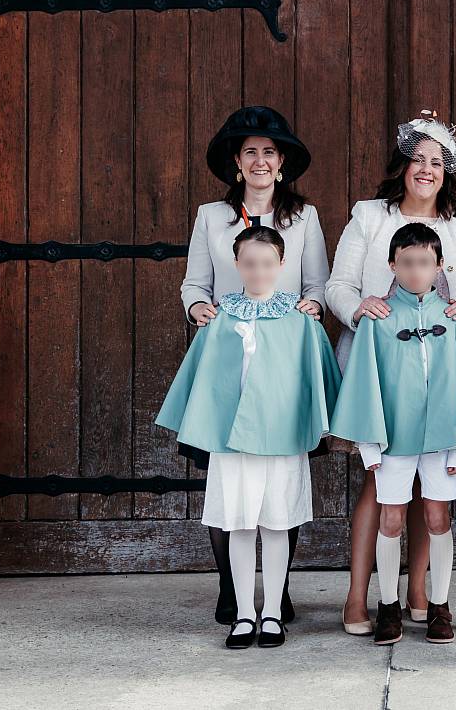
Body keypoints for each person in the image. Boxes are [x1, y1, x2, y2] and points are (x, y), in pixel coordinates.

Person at [325, 112, 456, 634]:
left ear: (448, 173)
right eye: (418, 159)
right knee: (381, 488)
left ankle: (420, 591)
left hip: (441, 371)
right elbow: (338, 285)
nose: (426, 169)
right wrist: (362, 308)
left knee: (431, 494)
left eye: (436, 162)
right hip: (382, 366)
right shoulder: (370, 216)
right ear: (403, 166)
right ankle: (359, 596)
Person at [156, 225, 341, 650]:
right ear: (237, 264)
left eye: (267, 263)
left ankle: (273, 612)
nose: (258, 270)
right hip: (231, 440)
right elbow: (200, 381)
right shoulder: (219, 321)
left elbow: (319, 378)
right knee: (239, 525)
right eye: (249, 263)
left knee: (277, 525)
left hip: (282, 437)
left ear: (282, 265)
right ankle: (243, 614)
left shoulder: (301, 321)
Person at [180, 106, 330, 625]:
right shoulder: (210, 217)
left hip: (282, 364)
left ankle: (278, 592)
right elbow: (195, 285)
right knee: (229, 484)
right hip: (229, 360)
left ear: (281, 161)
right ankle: (233, 589)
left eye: (269, 152)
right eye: (250, 152)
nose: (260, 160)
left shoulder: (304, 217)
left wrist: (313, 305)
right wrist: (200, 308)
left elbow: (317, 285)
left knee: (279, 484)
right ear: (236, 163)